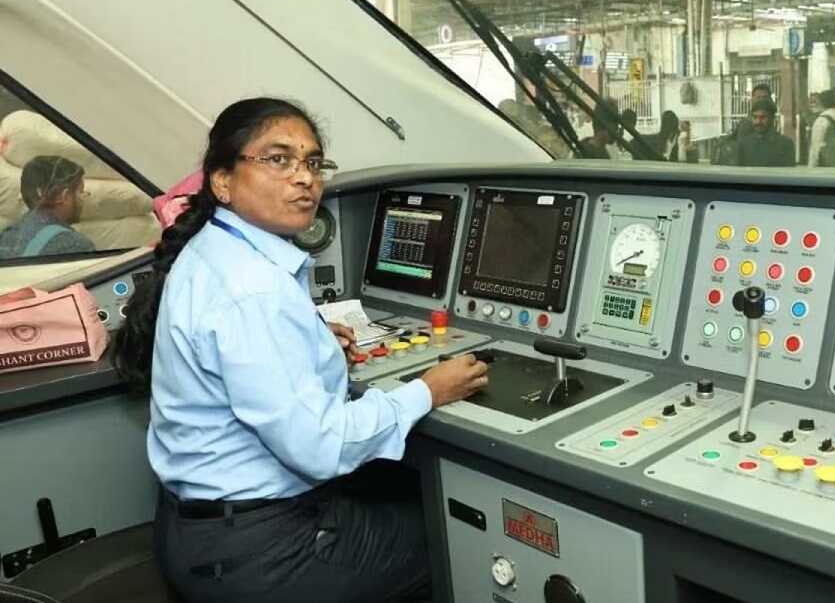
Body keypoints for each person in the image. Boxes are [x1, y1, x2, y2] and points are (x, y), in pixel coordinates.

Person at [111, 97, 489, 603]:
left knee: (398, 490)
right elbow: (321, 447)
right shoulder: (254, 291)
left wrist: (309, 339)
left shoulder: (214, 251)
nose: (304, 178)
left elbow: (241, 350)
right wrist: (426, 390)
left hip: (196, 533)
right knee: (458, 540)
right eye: (278, 159)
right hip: (263, 550)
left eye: (313, 162)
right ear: (222, 181)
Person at [0, 155, 95, 258]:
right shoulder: (76, 246)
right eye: (80, 192)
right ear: (65, 196)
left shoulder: (7, 236)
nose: (83, 198)